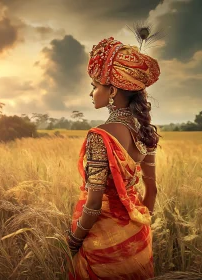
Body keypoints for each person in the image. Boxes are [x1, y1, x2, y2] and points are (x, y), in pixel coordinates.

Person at [66, 37, 161, 279]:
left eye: (95, 85)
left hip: (103, 242)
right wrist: (138, 227)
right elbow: (152, 190)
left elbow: (95, 203)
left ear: (112, 91)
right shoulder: (145, 131)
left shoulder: (100, 136)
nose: (91, 92)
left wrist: (74, 240)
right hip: (138, 238)